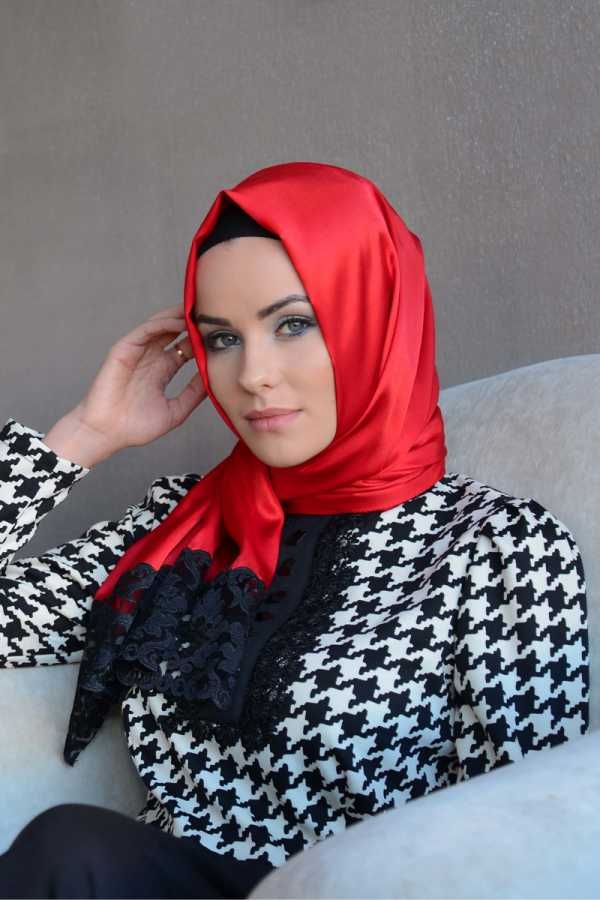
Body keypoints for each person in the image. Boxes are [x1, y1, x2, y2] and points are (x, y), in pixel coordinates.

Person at [0, 161, 589, 898]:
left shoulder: (496, 547)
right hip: (145, 880)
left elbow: (521, 831)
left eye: (293, 324)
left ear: (377, 320)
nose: (253, 374)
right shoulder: (180, 528)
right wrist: (85, 436)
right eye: (222, 338)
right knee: (70, 847)